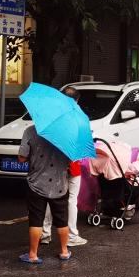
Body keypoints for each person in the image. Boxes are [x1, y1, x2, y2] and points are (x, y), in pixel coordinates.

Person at [17, 125, 71, 263]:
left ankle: (33, 255)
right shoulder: (66, 132)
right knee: (62, 220)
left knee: (36, 220)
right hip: (60, 185)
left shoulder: (30, 131)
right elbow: (71, 159)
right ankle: (64, 251)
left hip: (37, 184)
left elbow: (22, 158)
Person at [42, 86, 87, 246]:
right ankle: (72, 236)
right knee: (71, 200)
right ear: (76, 100)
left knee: (49, 198)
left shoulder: (51, 115)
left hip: (53, 163)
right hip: (72, 163)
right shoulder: (78, 117)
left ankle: (44, 233)